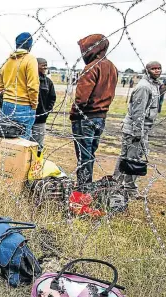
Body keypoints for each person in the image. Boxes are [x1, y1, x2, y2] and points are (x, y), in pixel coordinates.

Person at [70, 34, 118, 187]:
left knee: (84, 155)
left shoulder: (91, 68)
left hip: (86, 117)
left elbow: (81, 99)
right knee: (90, 153)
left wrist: (74, 114)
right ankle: (86, 185)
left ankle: (84, 187)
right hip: (101, 117)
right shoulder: (112, 66)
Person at [113, 61, 161, 197]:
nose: (157, 71)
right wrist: (138, 133)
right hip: (135, 130)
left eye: (159, 68)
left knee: (127, 157)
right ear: (147, 70)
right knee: (134, 159)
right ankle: (129, 189)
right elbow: (138, 112)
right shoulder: (144, 87)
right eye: (154, 69)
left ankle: (116, 183)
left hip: (138, 129)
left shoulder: (153, 85)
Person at [0, 32, 39, 140]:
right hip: (23, 104)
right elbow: (32, 86)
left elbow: (1, 84)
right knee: (21, 143)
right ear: (30, 45)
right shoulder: (30, 59)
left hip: (7, 104)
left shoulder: (8, 60)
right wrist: (34, 105)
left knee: (5, 139)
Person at [32, 58, 56, 148]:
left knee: (38, 145)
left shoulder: (48, 82)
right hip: (26, 117)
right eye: (43, 65)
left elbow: (52, 98)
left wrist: (46, 112)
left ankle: (37, 162)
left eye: (46, 65)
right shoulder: (28, 80)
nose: (45, 67)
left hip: (40, 119)